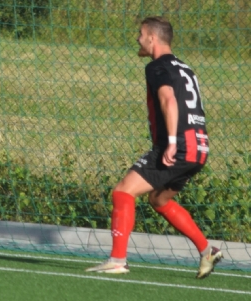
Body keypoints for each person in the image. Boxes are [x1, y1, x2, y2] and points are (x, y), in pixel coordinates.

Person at [86, 16, 222, 278]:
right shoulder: (185, 68)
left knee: (123, 192)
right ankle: (207, 250)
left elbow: (169, 101)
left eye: (140, 33)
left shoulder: (157, 66)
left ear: (152, 37)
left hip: (178, 145)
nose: (137, 39)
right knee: (159, 199)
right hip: (199, 147)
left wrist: (170, 142)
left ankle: (117, 260)